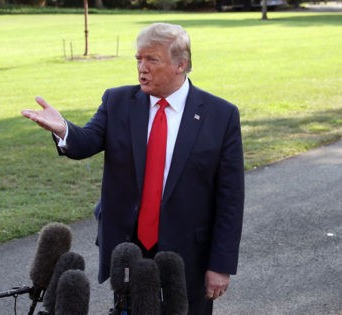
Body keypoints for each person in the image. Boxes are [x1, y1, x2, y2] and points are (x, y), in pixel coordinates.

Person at [22, 22, 244, 314]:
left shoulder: (220, 115)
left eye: (152, 59)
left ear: (182, 64)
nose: (142, 67)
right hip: (129, 250)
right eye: (139, 59)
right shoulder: (118, 101)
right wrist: (63, 129)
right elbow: (86, 142)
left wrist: (221, 265)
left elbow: (230, 198)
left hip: (188, 254)